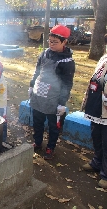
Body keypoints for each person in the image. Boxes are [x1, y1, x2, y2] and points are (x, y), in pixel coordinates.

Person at [29, 25, 75, 160]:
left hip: (54, 97)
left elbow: (67, 84)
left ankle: (50, 147)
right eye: (49, 41)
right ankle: (37, 142)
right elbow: (37, 71)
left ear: (64, 42)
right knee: (37, 121)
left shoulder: (67, 62)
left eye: (55, 42)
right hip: (38, 94)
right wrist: (31, 86)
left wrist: (62, 103)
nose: (51, 44)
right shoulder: (44, 53)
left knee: (53, 125)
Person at [81, 53, 107, 189]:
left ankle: (106, 174)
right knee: (96, 137)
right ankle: (97, 162)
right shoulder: (104, 58)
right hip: (96, 106)